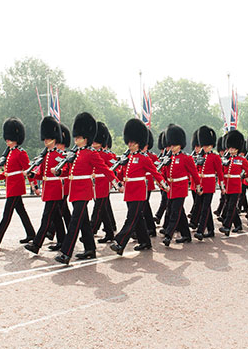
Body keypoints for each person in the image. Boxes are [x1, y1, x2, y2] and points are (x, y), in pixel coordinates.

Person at [54, 112, 119, 265]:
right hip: (75, 191)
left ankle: (66, 253)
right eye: (75, 137)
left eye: (79, 138)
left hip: (84, 191)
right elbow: (69, 171)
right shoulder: (75, 153)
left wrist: (117, 183)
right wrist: (59, 172)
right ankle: (90, 249)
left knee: (74, 222)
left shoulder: (91, 153)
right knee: (83, 222)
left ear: (86, 138)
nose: (76, 140)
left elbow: (105, 169)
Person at [110, 119, 167, 255]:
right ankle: (145, 242)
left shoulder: (144, 158)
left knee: (131, 218)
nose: (129, 144)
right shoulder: (128, 158)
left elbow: (155, 172)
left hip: (139, 192)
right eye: (128, 142)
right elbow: (122, 174)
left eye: (132, 142)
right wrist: (116, 181)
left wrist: (164, 184)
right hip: (129, 191)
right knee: (138, 218)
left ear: (139, 143)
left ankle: (120, 242)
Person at [0, 118, 37, 248]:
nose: (7, 140)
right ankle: (31, 234)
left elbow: (28, 170)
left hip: (16, 187)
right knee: (21, 211)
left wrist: (34, 185)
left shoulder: (21, 153)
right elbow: (8, 173)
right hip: (11, 186)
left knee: (7, 214)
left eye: (9, 138)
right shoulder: (9, 153)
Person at [24, 117, 67, 255]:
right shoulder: (46, 156)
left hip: (55, 189)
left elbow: (64, 170)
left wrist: (58, 172)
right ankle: (62, 241)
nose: (45, 141)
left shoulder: (60, 155)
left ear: (54, 139)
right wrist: (31, 175)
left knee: (46, 217)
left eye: (48, 139)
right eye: (45, 139)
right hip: (48, 189)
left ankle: (37, 244)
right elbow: (41, 174)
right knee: (56, 217)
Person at [161, 124, 201, 246]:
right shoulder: (169, 158)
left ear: (180, 144)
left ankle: (168, 235)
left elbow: (194, 173)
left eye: (174, 145)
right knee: (179, 212)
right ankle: (186, 235)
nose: (172, 147)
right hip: (170, 189)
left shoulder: (186, 158)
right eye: (171, 145)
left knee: (174, 212)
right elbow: (163, 173)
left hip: (181, 188)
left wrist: (198, 186)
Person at [193, 125, 225, 240]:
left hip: (210, 184)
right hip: (201, 185)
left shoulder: (215, 157)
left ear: (211, 146)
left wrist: (222, 186)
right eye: (204, 145)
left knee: (205, 208)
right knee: (204, 208)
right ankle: (210, 230)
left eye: (206, 146)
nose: (204, 147)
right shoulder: (200, 156)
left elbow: (220, 173)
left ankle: (200, 231)